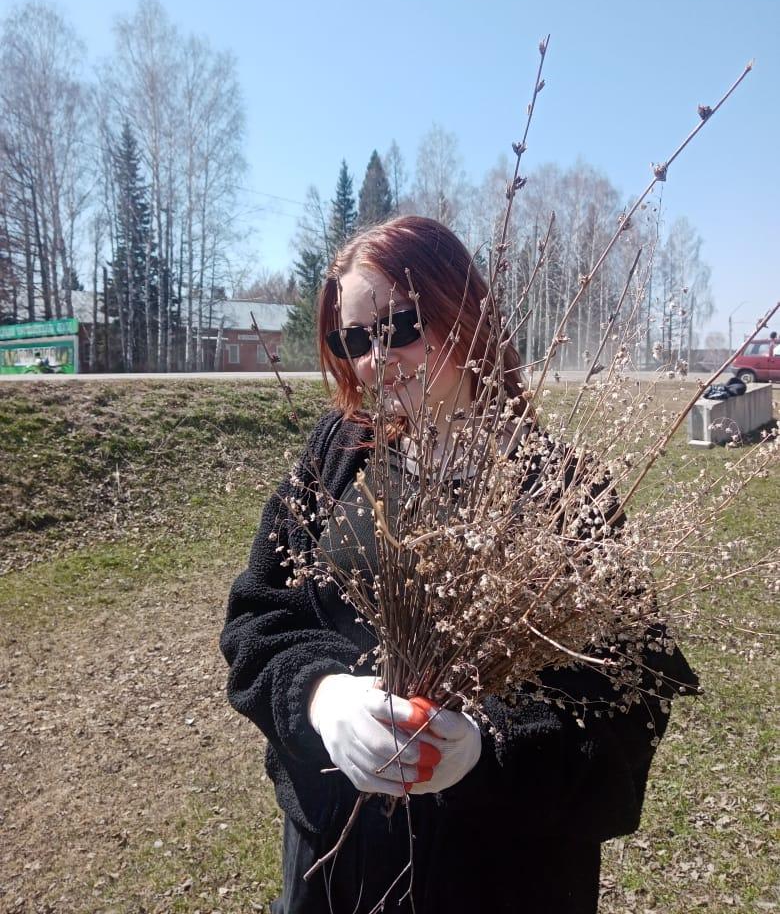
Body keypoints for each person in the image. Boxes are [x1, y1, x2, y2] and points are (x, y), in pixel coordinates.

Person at [221, 215, 698, 914]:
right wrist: (322, 698)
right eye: (352, 339)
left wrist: (486, 748)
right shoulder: (339, 454)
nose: (373, 360)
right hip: (338, 864)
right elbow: (259, 618)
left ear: (461, 309)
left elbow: (627, 709)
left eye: (397, 326)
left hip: (501, 873)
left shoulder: (562, 494)